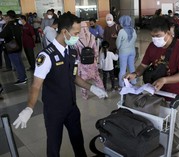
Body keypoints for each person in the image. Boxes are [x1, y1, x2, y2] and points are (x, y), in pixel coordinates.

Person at [12, 13, 108, 157]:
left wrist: (92, 87)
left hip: (71, 107)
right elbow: (36, 86)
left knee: (78, 142)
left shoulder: (72, 52)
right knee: (54, 147)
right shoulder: (46, 56)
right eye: (75, 33)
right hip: (54, 111)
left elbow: (73, 76)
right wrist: (29, 108)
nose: (77, 36)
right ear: (65, 32)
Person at [126, 16, 179, 157]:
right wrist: (134, 74)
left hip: (175, 98)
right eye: (152, 36)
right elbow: (143, 66)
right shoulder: (152, 46)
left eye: (158, 36)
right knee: (157, 128)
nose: (155, 39)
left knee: (175, 132)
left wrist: (165, 80)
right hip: (155, 97)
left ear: (169, 32)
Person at [75, 21, 105, 100]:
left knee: (83, 81)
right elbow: (95, 50)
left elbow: (77, 54)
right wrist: (95, 58)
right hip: (92, 63)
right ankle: (102, 93)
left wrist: (79, 60)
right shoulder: (92, 36)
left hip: (83, 64)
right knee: (97, 78)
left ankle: (85, 96)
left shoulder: (77, 39)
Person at [0, 10, 27, 84]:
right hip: (18, 45)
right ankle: (24, 76)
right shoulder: (17, 23)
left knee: (17, 64)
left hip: (12, 47)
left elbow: (2, 34)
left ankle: (22, 79)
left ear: (8, 17)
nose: (5, 18)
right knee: (20, 62)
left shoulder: (9, 25)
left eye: (6, 16)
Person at [116, 15, 137, 87]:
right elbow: (135, 40)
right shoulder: (133, 30)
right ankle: (133, 81)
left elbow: (118, 44)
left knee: (123, 69)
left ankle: (122, 84)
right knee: (132, 66)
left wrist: (119, 48)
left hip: (123, 52)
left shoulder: (121, 31)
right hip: (132, 51)